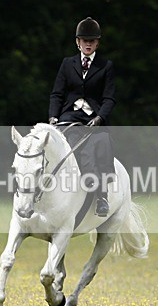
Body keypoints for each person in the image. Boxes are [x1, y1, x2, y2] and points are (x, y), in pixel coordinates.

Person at [48, 17, 116, 217]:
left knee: (101, 145)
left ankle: (101, 196)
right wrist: (53, 117)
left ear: (97, 43)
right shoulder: (67, 64)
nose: (88, 43)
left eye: (92, 40)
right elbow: (57, 94)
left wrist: (100, 118)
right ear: (77, 42)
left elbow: (109, 98)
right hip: (69, 117)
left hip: (93, 120)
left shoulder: (106, 66)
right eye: (84, 40)